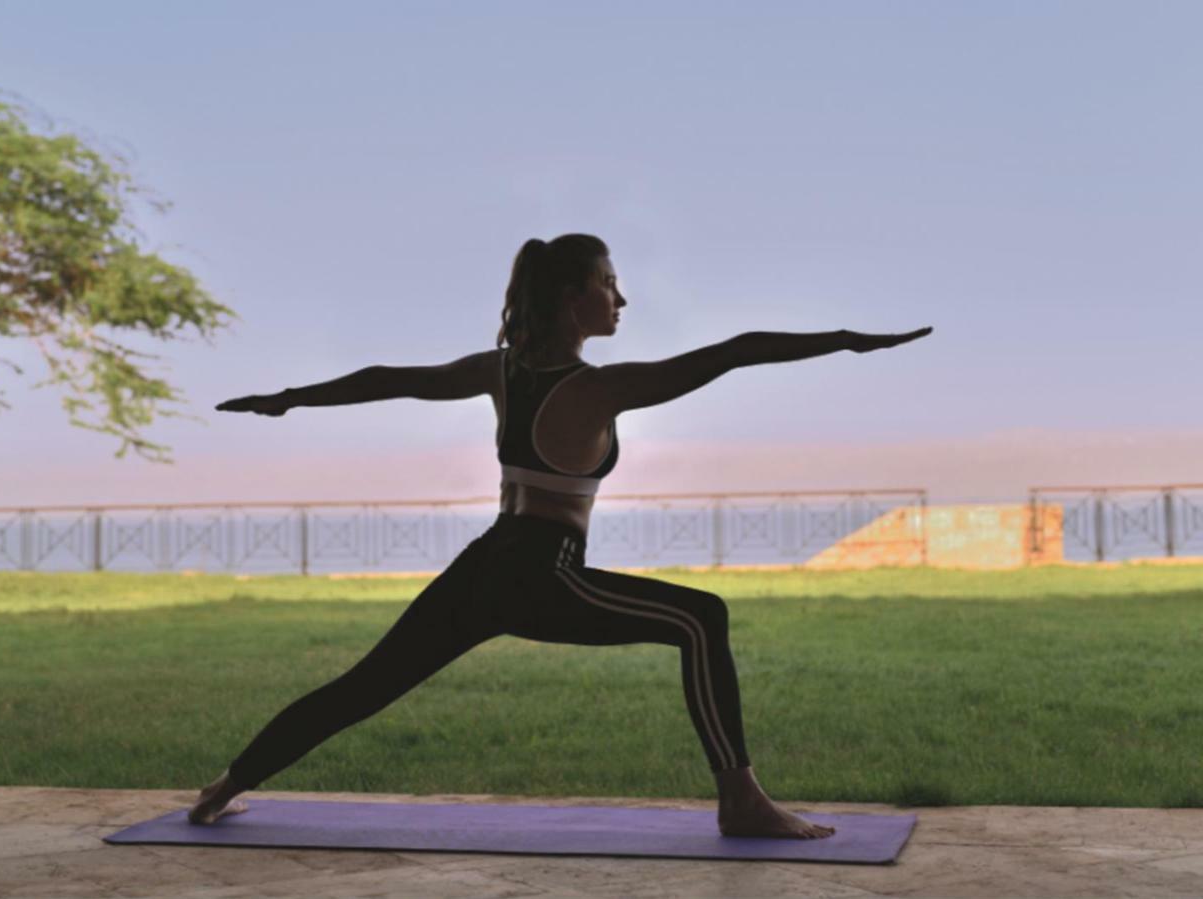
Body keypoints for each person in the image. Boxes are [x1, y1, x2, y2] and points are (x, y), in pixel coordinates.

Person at [191, 233, 932, 838]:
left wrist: (288, 399)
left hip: (486, 563)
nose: (622, 298)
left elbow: (391, 377)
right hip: (543, 570)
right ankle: (741, 801)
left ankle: (225, 787)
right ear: (576, 297)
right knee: (702, 618)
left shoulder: (499, 372)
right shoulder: (600, 389)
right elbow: (735, 350)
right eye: (611, 282)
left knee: (363, 687)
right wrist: (845, 340)